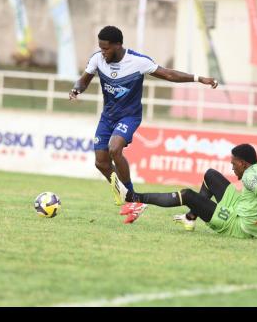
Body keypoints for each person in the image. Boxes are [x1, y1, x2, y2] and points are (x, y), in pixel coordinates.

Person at [69, 26, 218, 206]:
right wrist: (76, 89)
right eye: (101, 48)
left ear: (117, 45)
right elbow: (84, 80)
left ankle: (131, 195)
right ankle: (121, 191)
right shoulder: (97, 59)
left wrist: (199, 78)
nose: (103, 52)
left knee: (114, 148)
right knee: (101, 163)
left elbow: (169, 74)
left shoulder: (138, 61)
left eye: (106, 48)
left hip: (129, 116)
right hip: (107, 117)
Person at [118, 144, 257, 245]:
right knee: (211, 175)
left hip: (239, 225)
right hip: (241, 208)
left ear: (243, 164)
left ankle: (135, 198)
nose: (232, 168)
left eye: (234, 164)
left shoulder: (249, 177)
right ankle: (190, 217)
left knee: (188, 195)